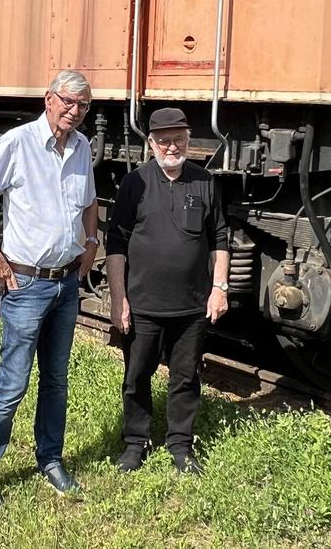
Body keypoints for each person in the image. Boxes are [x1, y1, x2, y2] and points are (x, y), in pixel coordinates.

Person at [0, 70, 100, 511]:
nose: (74, 112)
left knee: (56, 381)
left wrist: (91, 245)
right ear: (49, 99)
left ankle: (50, 460)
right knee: (12, 384)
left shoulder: (82, 148)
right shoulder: (17, 142)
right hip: (26, 285)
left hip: (65, 284)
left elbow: (90, 201)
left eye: (84, 106)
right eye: (68, 102)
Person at [105, 107, 230, 475]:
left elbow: (219, 238)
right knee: (136, 376)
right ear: (151, 144)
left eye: (178, 140)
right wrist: (119, 299)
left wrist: (219, 288)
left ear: (188, 141)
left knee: (185, 377)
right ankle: (135, 442)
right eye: (164, 141)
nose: (171, 147)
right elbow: (116, 243)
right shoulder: (134, 184)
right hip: (143, 303)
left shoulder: (205, 182)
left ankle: (180, 444)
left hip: (191, 305)